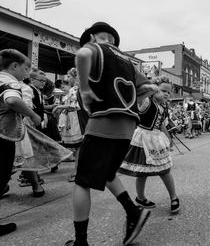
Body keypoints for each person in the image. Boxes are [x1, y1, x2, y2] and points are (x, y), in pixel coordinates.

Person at [65, 22, 157, 246]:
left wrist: (85, 87)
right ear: (113, 39)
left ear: (93, 37)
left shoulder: (95, 48)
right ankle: (132, 211)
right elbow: (149, 89)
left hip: (104, 122)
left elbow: (83, 55)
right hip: (127, 127)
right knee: (106, 173)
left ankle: (80, 242)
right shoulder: (127, 60)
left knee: (82, 181)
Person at [120, 76, 180, 214]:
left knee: (164, 170)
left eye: (169, 92)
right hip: (143, 138)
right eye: (163, 90)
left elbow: (162, 124)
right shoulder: (146, 101)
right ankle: (141, 197)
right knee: (142, 171)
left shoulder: (163, 106)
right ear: (153, 90)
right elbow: (136, 98)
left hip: (157, 139)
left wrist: (168, 137)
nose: (166, 94)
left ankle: (173, 197)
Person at [0, 49, 41, 237]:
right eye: (26, 68)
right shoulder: (10, 82)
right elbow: (12, 101)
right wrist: (33, 115)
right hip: (2, 136)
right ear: (14, 66)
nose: (27, 73)